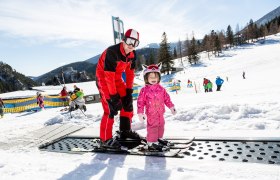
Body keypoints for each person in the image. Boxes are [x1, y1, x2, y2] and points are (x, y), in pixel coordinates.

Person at [95, 29, 141, 148]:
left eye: (135, 43)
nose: (131, 46)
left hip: (117, 78)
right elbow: (108, 76)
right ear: (124, 40)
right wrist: (113, 97)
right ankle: (105, 139)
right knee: (110, 109)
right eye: (130, 41)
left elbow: (130, 73)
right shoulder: (112, 51)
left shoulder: (132, 54)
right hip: (104, 79)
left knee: (127, 103)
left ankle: (124, 131)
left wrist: (129, 92)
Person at [137, 63, 177, 151]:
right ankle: (151, 143)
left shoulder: (161, 89)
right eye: (151, 77)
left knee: (161, 126)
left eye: (155, 77)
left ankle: (158, 139)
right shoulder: (144, 90)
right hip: (151, 114)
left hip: (160, 113)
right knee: (153, 127)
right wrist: (140, 112)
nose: (153, 79)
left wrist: (171, 107)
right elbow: (140, 102)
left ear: (159, 78)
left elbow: (167, 99)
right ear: (146, 78)